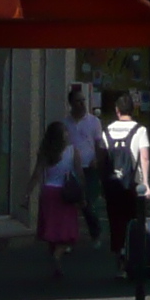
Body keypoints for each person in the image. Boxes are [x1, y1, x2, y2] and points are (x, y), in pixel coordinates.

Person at [102, 91, 150, 276]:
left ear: (117, 110)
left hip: (112, 184)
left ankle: (119, 256)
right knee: (134, 220)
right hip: (133, 184)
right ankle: (132, 255)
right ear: (133, 109)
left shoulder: (107, 130)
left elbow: (102, 157)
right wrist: (146, 183)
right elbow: (144, 157)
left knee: (115, 220)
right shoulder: (140, 130)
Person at [33, 120, 84, 281]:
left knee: (51, 230)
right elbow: (80, 174)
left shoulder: (45, 152)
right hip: (64, 193)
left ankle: (55, 258)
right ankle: (57, 255)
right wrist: (83, 194)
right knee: (68, 231)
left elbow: (36, 174)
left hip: (48, 192)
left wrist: (27, 194)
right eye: (65, 132)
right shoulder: (72, 151)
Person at [64, 88, 109, 248]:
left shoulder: (93, 122)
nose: (82, 104)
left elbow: (99, 143)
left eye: (83, 100)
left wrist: (97, 159)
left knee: (88, 202)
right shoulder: (66, 123)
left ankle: (95, 233)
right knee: (70, 204)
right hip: (71, 168)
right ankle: (68, 238)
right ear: (71, 103)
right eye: (78, 101)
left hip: (89, 168)